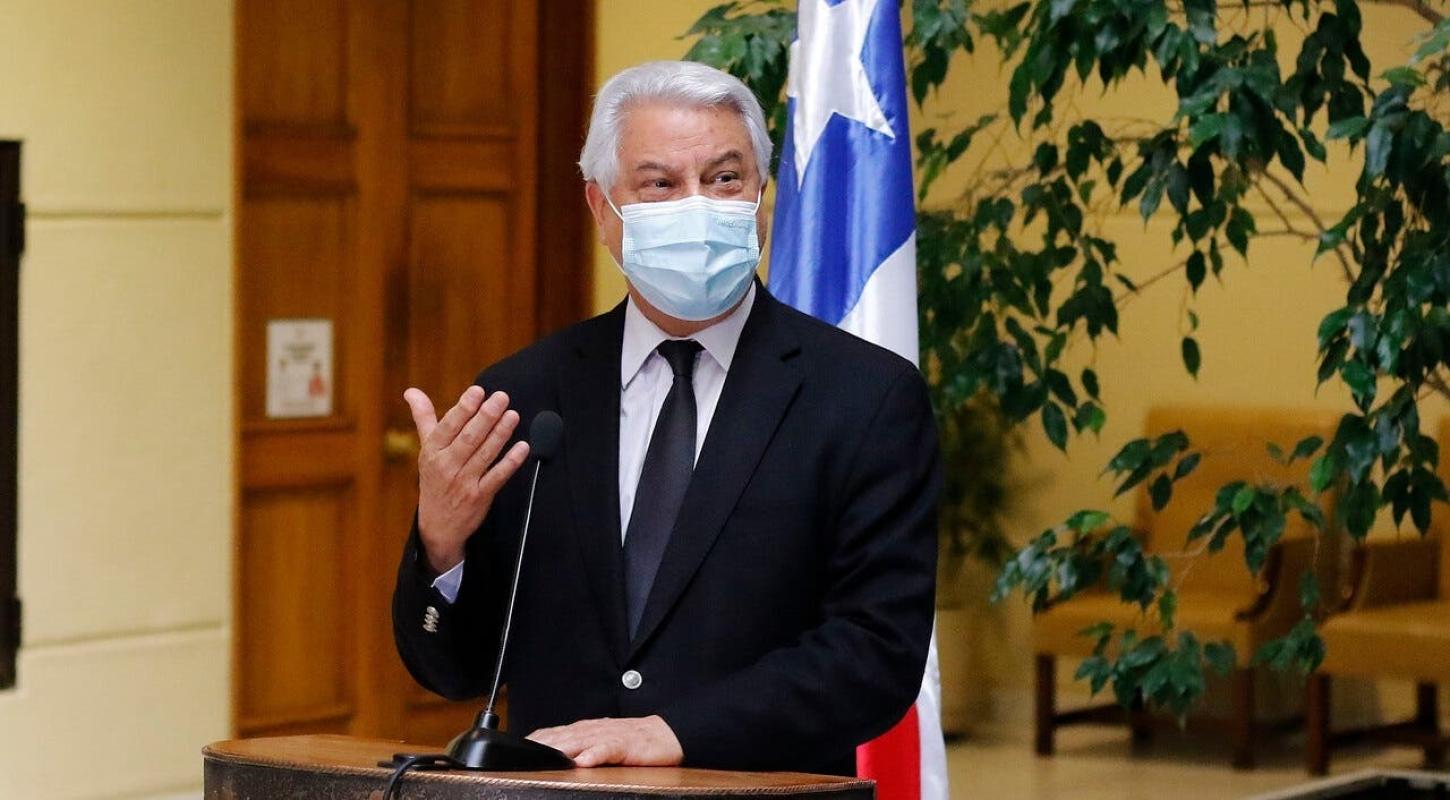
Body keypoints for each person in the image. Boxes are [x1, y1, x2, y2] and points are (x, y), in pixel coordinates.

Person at [392, 60, 940, 777]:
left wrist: (677, 732)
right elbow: (453, 669)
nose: (698, 206)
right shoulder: (523, 397)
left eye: (724, 178)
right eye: (660, 184)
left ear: (762, 198)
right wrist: (442, 545)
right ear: (601, 209)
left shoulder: (866, 397)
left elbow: (876, 653)